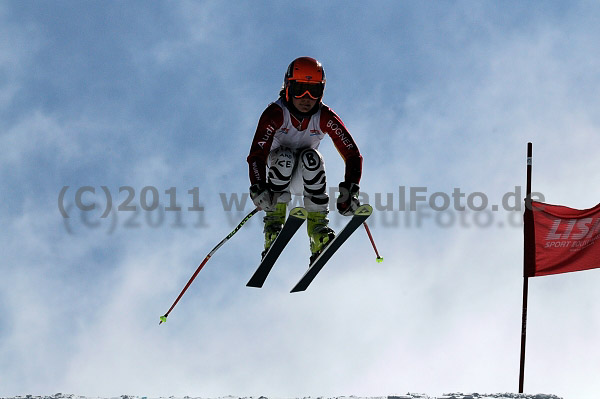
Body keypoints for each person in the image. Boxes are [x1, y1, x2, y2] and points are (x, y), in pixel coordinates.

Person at [247, 56, 363, 263]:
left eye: (314, 90)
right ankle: (273, 226)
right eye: (299, 88)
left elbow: (352, 154)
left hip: (306, 177)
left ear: (322, 92)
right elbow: (257, 153)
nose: (306, 97)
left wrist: (350, 189)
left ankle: (318, 232)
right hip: (276, 181)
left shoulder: (325, 116)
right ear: (288, 87)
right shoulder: (275, 113)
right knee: (284, 156)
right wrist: (258, 186)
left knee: (312, 158)